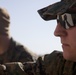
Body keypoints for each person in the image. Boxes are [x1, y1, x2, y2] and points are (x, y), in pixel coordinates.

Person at [0, 0, 76, 75]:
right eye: (58, 19)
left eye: (67, 19)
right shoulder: (60, 66)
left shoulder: (25, 56)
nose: (56, 32)